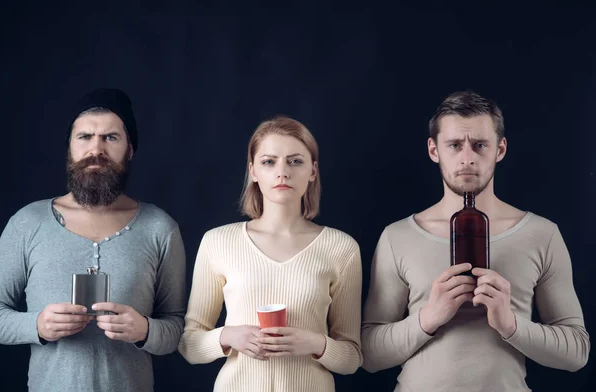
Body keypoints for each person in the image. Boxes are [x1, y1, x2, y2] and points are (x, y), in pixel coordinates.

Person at [361, 91, 590, 391]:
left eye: (480, 145)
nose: (467, 158)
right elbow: (368, 354)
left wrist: (510, 324)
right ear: (434, 150)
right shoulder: (397, 236)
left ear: (500, 149)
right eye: (455, 145)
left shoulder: (542, 234)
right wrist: (428, 318)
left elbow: (576, 352)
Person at [0, 88, 186, 392]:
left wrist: (145, 330)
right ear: (70, 147)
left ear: (130, 149)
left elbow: (177, 329)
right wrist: (37, 326)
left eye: (110, 138)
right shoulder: (26, 223)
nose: (95, 149)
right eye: (84, 137)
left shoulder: (160, 228)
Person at [179, 116, 363, 391]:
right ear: (253, 171)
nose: (282, 172)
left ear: (313, 170)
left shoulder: (341, 248)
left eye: (295, 161)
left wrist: (315, 343)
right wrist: (229, 337)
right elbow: (189, 345)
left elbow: (352, 358)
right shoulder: (217, 242)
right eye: (269, 161)